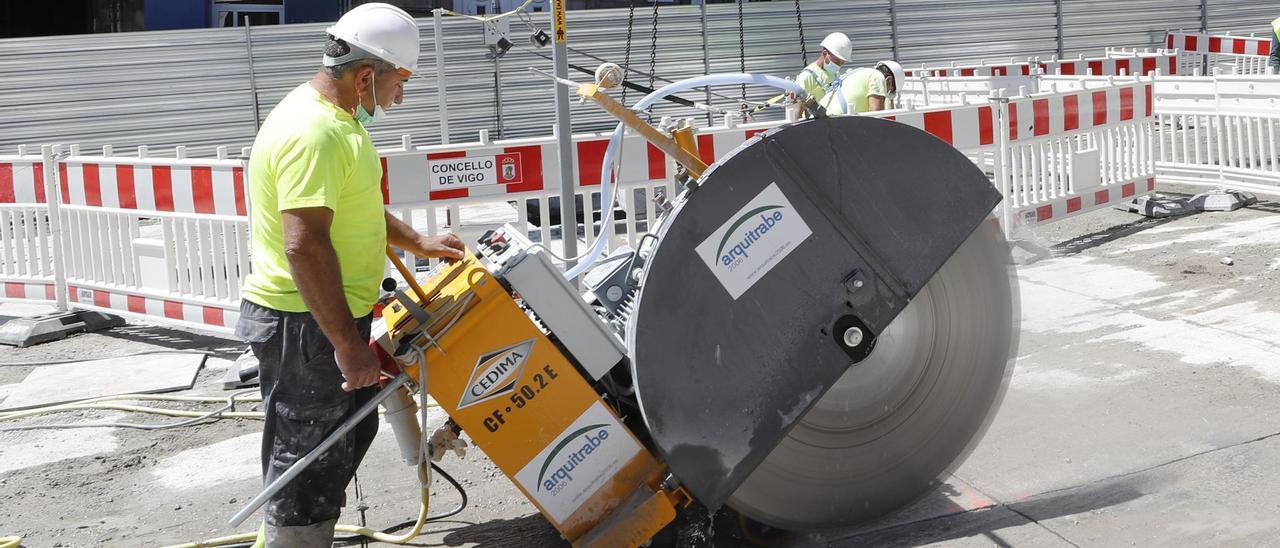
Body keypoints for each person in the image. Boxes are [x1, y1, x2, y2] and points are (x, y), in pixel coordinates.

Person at [235, 3, 465, 546]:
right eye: (398, 82)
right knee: (309, 456)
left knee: (349, 429)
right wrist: (346, 344)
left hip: (325, 321)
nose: (399, 97)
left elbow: (352, 208)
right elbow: (307, 244)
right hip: (305, 325)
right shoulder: (314, 132)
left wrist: (416, 241)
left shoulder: (339, 122)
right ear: (366, 76)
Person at [792, 32, 853, 115]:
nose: (839, 66)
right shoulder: (807, 77)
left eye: (842, 63)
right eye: (836, 62)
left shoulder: (835, 73)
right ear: (824, 54)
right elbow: (797, 112)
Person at [820, 60, 906, 116]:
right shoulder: (878, 77)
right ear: (889, 81)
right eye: (890, 90)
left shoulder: (861, 72)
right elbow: (876, 115)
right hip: (835, 122)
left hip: (822, 117)